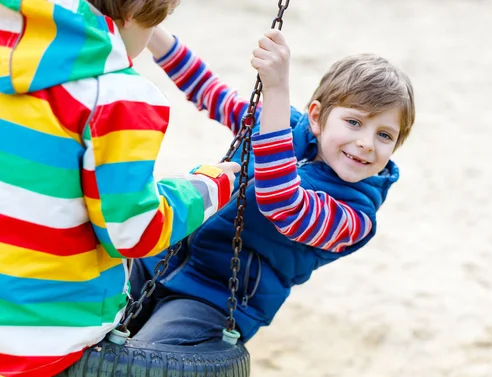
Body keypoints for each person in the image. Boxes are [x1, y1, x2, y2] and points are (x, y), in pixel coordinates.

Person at [0, 0, 238, 377]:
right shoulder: (115, 95)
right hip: (43, 344)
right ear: (135, 10)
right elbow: (134, 231)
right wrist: (211, 185)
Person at [127, 25, 415, 346]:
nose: (366, 143)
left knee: (146, 357)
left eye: (385, 135)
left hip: (213, 301)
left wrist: (277, 90)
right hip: (158, 256)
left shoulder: (354, 218)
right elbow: (208, 91)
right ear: (317, 118)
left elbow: (282, 202)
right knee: (89, 316)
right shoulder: (278, 123)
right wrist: (147, 27)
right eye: (354, 122)